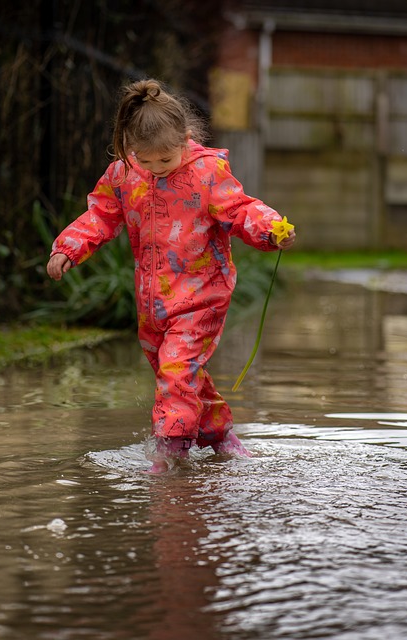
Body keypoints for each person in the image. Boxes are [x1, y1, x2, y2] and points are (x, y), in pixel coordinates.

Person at [47, 78, 295, 473]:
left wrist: (269, 229)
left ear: (186, 138)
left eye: (165, 160)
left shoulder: (207, 174)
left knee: (177, 367)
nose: (155, 169)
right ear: (130, 149)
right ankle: (219, 436)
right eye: (145, 161)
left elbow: (240, 209)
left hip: (202, 294)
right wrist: (67, 248)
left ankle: (170, 451)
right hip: (153, 302)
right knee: (177, 372)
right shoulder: (124, 174)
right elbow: (99, 216)